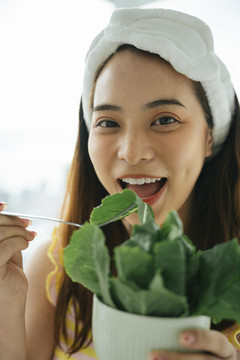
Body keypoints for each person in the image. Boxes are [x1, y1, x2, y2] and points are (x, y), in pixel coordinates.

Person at [0, 7, 239, 360]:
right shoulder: (56, 268)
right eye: (108, 123)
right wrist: (8, 302)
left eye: (165, 119)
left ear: (209, 137)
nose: (131, 152)